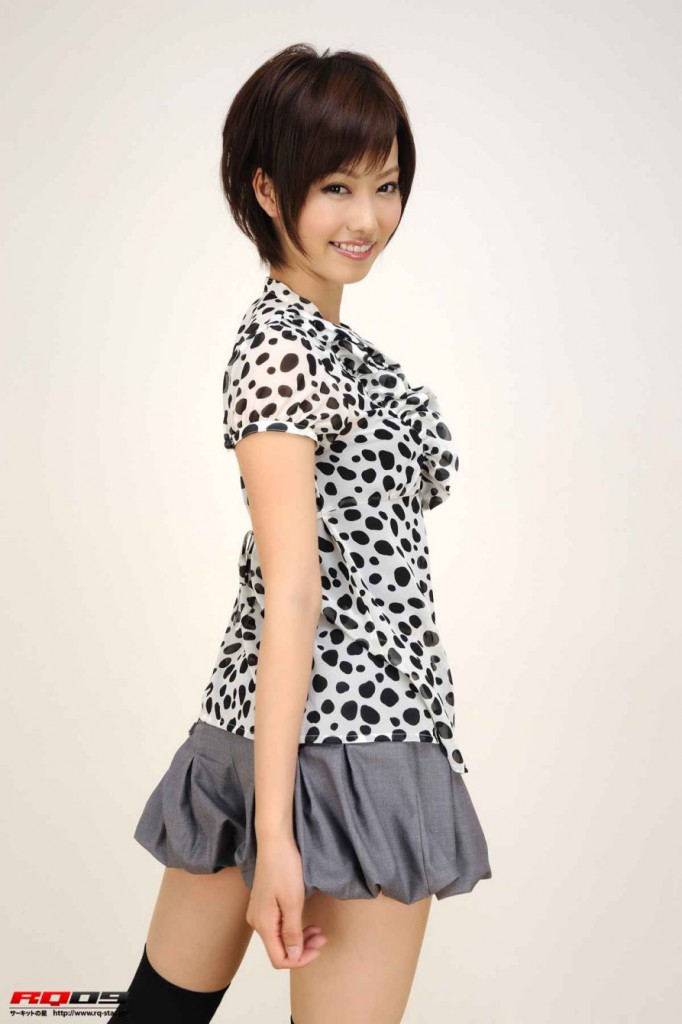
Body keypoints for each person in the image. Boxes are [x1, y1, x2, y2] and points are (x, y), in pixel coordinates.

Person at [107, 42, 492, 1024]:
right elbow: (294, 588)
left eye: (385, 185)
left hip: (259, 734)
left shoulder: (324, 345)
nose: (367, 218)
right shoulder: (285, 349)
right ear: (268, 189)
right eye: (335, 186)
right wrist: (277, 837)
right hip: (357, 744)